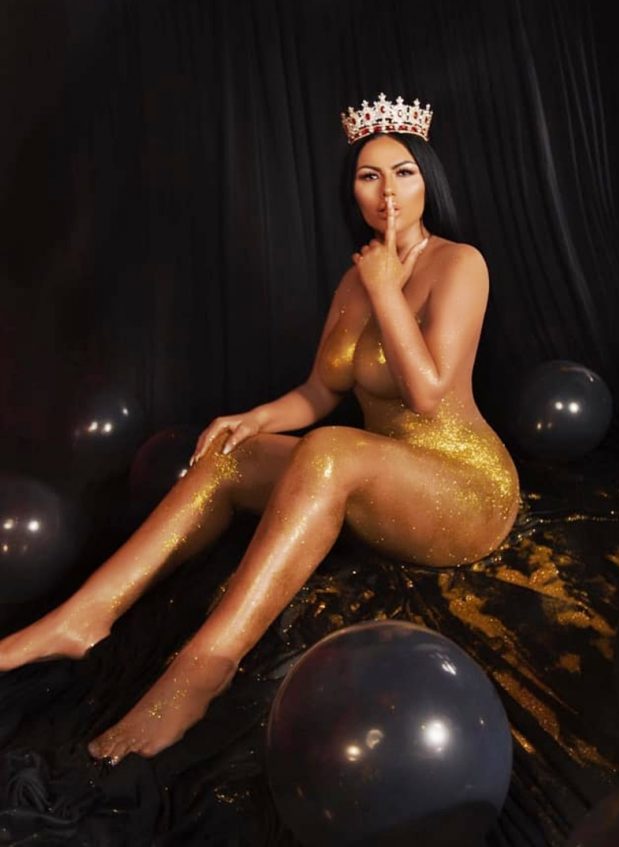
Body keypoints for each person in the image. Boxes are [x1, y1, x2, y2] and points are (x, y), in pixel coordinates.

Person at [0, 93, 520, 765]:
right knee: (230, 456)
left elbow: (426, 394)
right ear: (352, 190)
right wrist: (253, 419)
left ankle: (202, 670)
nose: (388, 192)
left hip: (464, 489)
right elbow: (321, 390)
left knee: (330, 451)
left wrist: (388, 289)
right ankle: (82, 616)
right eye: (369, 176)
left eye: (404, 173)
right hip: (380, 471)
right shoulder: (356, 278)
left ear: (429, 180)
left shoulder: (460, 264)